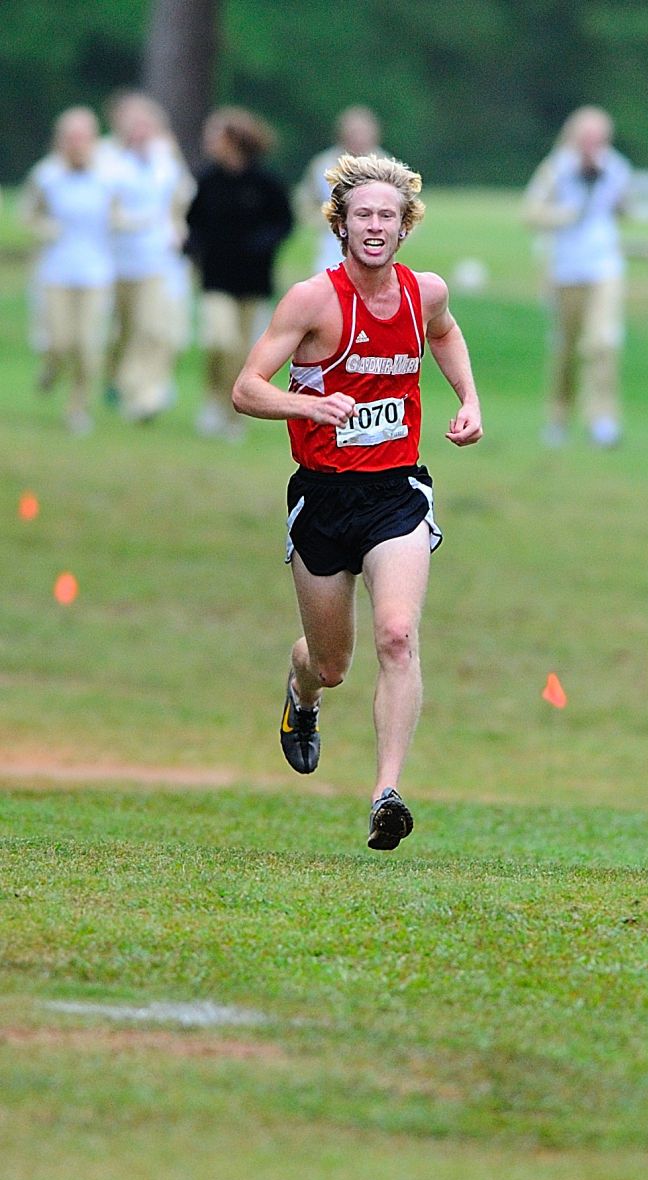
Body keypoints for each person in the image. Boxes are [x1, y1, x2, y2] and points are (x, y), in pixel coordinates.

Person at [233, 153, 483, 850]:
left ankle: (386, 793)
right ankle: (302, 690)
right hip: (322, 498)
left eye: (389, 217)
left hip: (396, 492)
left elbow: (445, 333)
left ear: (406, 228)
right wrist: (307, 407)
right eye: (363, 215)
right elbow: (246, 388)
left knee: (398, 635)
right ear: (340, 224)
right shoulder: (311, 300)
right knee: (333, 662)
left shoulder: (424, 293)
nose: (376, 227)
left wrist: (469, 398)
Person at [524, 106, 631, 448]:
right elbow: (531, 212)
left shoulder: (615, 167)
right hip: (566, 270)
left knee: (602, 343)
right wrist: (563, 215)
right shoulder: (557, 169)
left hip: (604, 267)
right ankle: (559, 415)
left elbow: (625, 207)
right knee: (566, 348)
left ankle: (603, 419)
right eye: (587, 138)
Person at [186, 107, 293, 441]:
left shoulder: (265, 182)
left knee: (244, 351)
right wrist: (193, 246)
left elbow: (284, 221)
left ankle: (233, 415)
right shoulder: (208, 179)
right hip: (215, 276)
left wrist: (262, 245)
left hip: (252, 280)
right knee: (220, 339)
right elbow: (194, 221)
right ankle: (213, 399)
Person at [21, 107, 116, 435]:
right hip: (56, 272)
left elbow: (118, 216)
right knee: (59, 341)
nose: (78, 144)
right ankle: (51, 367)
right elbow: (28, 215)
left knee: (87, 344)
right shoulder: (46, 175)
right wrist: (45, 228)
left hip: (96, 272)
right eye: (71, 137)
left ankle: (78, 405)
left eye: (84, 137)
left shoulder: (107, 176)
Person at [101, 92, 194, 422]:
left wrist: (178, 225)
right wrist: (130, 222)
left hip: (158, 259)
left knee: (152, 328)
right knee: (123, 329)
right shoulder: (109, 160)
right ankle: (117, 379)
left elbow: (181, 194)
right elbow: (104, 209)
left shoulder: (165, 157)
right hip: (117, 261)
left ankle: (146, 394)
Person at [296, 106, 383, 273]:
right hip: (332, 250)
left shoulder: (386, 165)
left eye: (363, 133)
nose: (358, 139)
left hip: (375, 249)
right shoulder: (323, 164)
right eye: (353, 133)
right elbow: (305, 203)